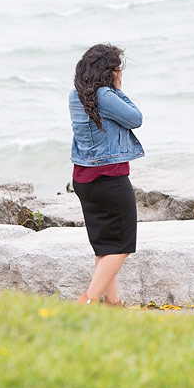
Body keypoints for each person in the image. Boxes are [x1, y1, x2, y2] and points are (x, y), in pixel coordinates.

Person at [69, 43, 144, 306]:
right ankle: (87, 300)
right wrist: (117, 89)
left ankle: (113, 305)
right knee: (122, 246)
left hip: (84, 180)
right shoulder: (106, 96)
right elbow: (135, 118)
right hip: (110, 179)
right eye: (118, 70)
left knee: (104, 247)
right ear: (109, 72)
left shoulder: (75, 95)